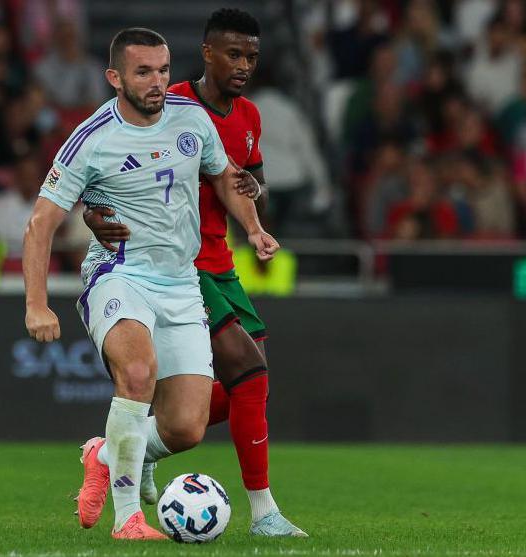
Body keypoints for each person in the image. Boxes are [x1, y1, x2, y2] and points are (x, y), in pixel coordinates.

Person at [23, 27, 276, 540]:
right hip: (119, 274)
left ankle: (104, 453)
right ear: (115, 77)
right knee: (137, 373)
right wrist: (37, 304)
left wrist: (253, 227)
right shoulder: (92, 138)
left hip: (182, 282)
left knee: (185, 427)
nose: (157, 81)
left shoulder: (191, 119)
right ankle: (128, 520)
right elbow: (41, 223)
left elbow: (226, 175)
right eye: (143, 72)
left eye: (163, 70)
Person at [83, 9, 307, 537]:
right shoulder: (168, 102)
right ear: (207, 52)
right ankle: (264, 513)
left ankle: (126, 456)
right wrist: (95, 213)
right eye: (233, 53)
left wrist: (255, 221)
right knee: (251, 374)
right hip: (178, 267)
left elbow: (246, 181)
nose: (243, 65)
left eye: (251, 56)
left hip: (222, 265)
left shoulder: (249, 115)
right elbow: (106, 162)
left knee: (235, 394)